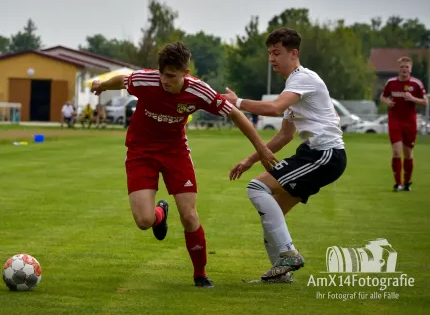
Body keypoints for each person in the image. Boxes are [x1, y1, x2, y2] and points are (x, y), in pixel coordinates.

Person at [90, 42, 277, 288]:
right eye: (162, 75)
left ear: (185, 73)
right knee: (144, 221)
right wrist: (102, 85)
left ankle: (200, 274)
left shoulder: (200, 91)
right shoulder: (146, 81)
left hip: (175, 153)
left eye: (171, 76)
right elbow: (124, 80)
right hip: (141, 153)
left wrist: (261, 148)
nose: (165, 81)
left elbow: (235, 114)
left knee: (189, 216)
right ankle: (159, 214)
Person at [222, 27, 347, 283]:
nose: (271, 59)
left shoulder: (303, 78)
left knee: (257, 188)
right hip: (313, 153)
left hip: (325, 154)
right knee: (273, 214)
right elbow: (284, 136)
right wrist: (249, 160)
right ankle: (281, 274)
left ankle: (289, 254)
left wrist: (237, 102)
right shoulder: (295, 85)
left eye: (276, 53)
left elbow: (275, 107)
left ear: (294, 53)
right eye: (269, 53)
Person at [379, 56, 428, 192]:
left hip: (410, 122)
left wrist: (413, 98)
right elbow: (383, 96)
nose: (404, 69)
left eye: (406, 67)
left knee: (408, 154)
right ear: (398, 69)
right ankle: (398, 183)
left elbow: (425, 102)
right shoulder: (391, 83)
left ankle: (407, 183)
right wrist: (387, 102)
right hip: (395, 120)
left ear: (410, 69)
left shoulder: (416, 84)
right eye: (401, 67)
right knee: (396, 151)